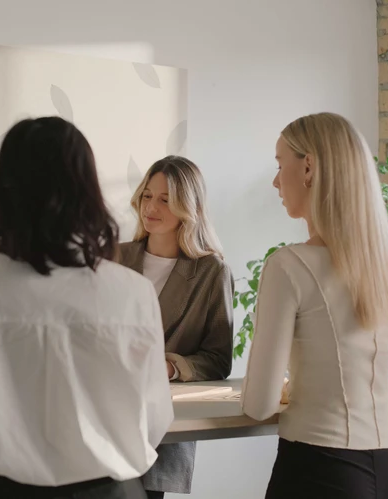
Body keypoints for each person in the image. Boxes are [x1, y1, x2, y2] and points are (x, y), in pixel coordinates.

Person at [0, 117, 174, 499]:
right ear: (88, 193)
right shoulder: (134, 292)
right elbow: (156, 420)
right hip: (115, 490)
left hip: (7, 492)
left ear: (3, 192)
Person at [241, 112, 388, 499]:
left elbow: (258, 404)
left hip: (320, 467)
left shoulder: (289, 265)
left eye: (279, 164)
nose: (275, 181)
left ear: (308, 167)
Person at [116, 155, 234, 499]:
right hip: (104, 420)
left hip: (159, 431)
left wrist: (168, 367)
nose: (151, 207)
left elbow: (218, 359)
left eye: (166, 199)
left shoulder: (211, 272)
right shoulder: (114, 257)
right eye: (147, 196)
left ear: (189, 207)